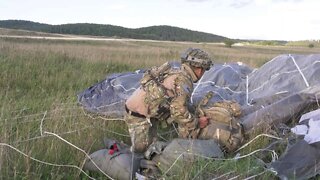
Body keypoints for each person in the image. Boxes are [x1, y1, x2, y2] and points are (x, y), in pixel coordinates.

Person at [124, 48, 213, 153]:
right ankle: (129, 166)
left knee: (151, 147)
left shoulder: (176, 72)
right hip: (138, 116)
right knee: (141, 151)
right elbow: (178, 112)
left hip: (142, 111)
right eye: (204, 69)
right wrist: (197, 122)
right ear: (199, 68)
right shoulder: (183, 80)